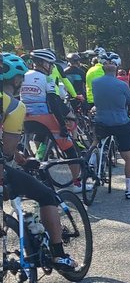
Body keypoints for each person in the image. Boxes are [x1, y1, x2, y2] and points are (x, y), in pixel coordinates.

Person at [1, 53, 76, 271]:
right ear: (15, 80)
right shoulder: (14, 106)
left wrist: (17, 156)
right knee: (46, 195)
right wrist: (17, 158)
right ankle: (58, 255)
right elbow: (7, 147)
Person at [19, 48, 81, 185]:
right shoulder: (47, 79)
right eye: (51, 64)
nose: (52, 67)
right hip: (45, 118)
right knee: (71, 152)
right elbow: (54, 102)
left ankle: (34, 167)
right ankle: (77, 183)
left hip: (25, 118)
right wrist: (63, 124)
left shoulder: (23, 75)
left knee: (35, 143)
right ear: (44, 63)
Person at [92, 53, 130, 198]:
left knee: (95, 143)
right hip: (120, 122)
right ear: (117, 68)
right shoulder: (122, 85)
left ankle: (90, 164)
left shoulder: (95, 82)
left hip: (101, 121)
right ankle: (129, 189)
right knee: (128, 157)